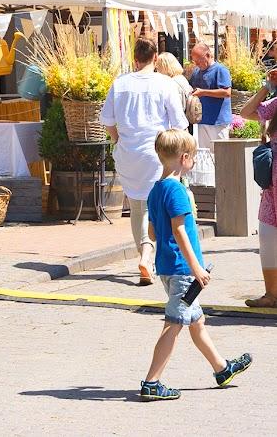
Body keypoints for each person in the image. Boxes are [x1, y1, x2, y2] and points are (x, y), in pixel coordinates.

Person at [139, 129, 252, 401]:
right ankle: (152, 382)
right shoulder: (176, 191)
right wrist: (196, 269)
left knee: (196, 321)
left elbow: (153, 233)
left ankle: (221, 368)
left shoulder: (156, 190)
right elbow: (180, 232)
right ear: (185, 157)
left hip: (168, 267)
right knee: (174, 323)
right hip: (182, 270)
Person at [100, 38, 187, 286]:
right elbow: (179, 123)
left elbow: (107, 119)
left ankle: (143, 256)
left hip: (128, 152)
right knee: (154, 206)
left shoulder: (121, 83)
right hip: (157, 151)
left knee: (137, 207)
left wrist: (117, 139)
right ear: (156, 58)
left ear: (135, 59)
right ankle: (148, 256)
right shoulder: (165, 83)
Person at [243, 71, 277, 306]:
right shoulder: (275, 104)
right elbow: (245, 113)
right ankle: (271, 295)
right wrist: (267, 87)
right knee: (267, 237)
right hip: (272, 186)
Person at [189, 42, 232, 149]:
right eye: (195, 61)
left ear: (208, 55)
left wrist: (203, 92)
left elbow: (227, 93)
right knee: (205, 156)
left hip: (218, 121)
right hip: (202, 120)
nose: (197, 64)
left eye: (199, 60)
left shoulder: (220, 70)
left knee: (220, 154)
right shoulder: (196, 72)